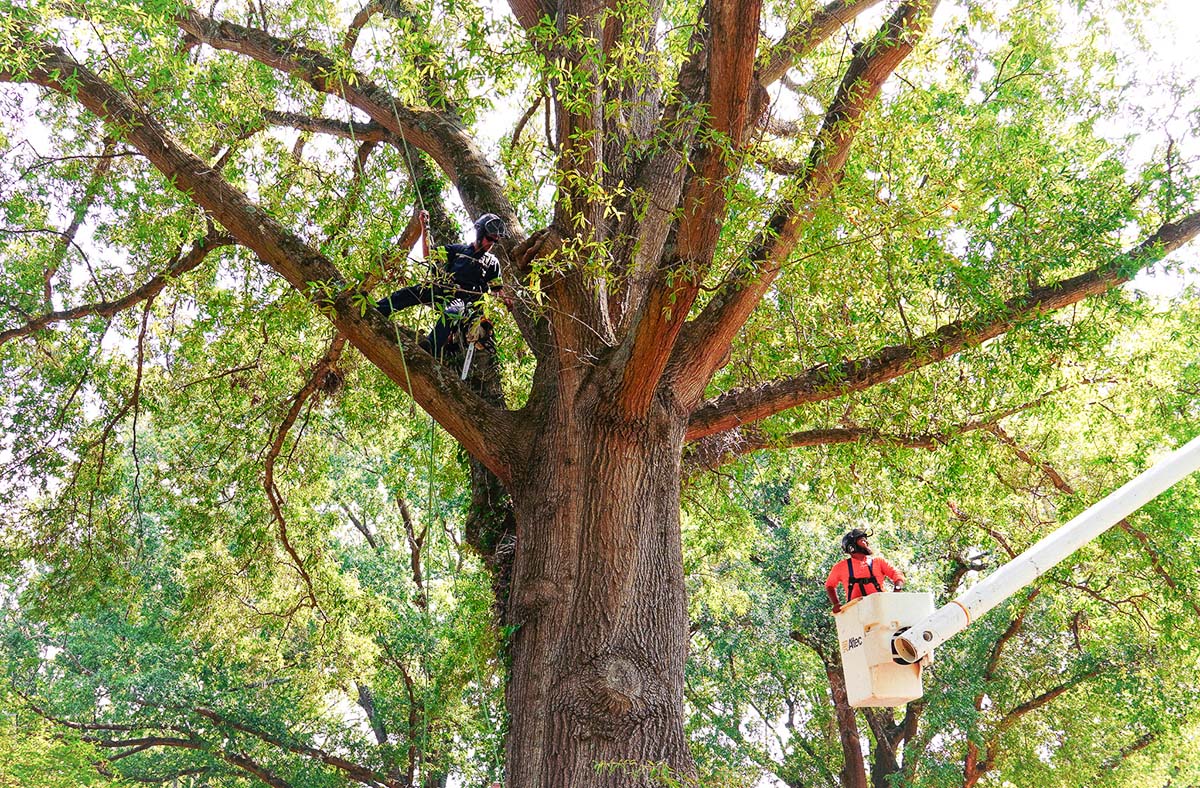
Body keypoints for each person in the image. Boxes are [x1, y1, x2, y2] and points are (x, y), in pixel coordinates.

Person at [377, 211, 512, 359]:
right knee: (411, 292)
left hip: (464, 301)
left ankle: (431, 346)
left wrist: (505, 300)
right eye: (489, 239)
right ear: (480, 233)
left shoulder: (492, 263)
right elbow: (429, 254)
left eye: (495, 241)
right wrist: (424, 226)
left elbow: (497, 289)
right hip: (444, 288)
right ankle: (379, 309)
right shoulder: (458, 250)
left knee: (452, 313)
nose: (490, 244)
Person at [825, 529, 905, 614]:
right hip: (856, 612)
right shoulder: (840, 567)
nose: (865, 542)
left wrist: (897, 590)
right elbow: (829, 586)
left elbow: (897, 574)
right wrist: (836, 604)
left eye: (865, 540)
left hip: (881, 608)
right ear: (851, 547)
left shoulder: (878, 561)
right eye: (861, 540)